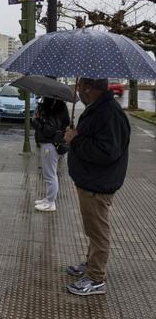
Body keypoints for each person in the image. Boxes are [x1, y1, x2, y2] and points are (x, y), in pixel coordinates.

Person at [64, 78, 131, 296]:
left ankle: (96, 279)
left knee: (98, 231)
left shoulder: (109, 113)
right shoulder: (98, 109)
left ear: (89, 89)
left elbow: (106, 152)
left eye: (80, 88)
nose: (78, 92)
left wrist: (75, 140)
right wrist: (77, 135)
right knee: (92, 229)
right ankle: (91, 264)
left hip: (98, 183)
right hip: (91, 180)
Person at [32, 97, 70, 212]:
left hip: (50, 145)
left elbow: (48, 130)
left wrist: (36, 122)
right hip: (51, 144)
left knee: (50, 175)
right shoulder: (58, 107)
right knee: (49, 173)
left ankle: (50, 203)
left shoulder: (55, 109)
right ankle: (48, 198)